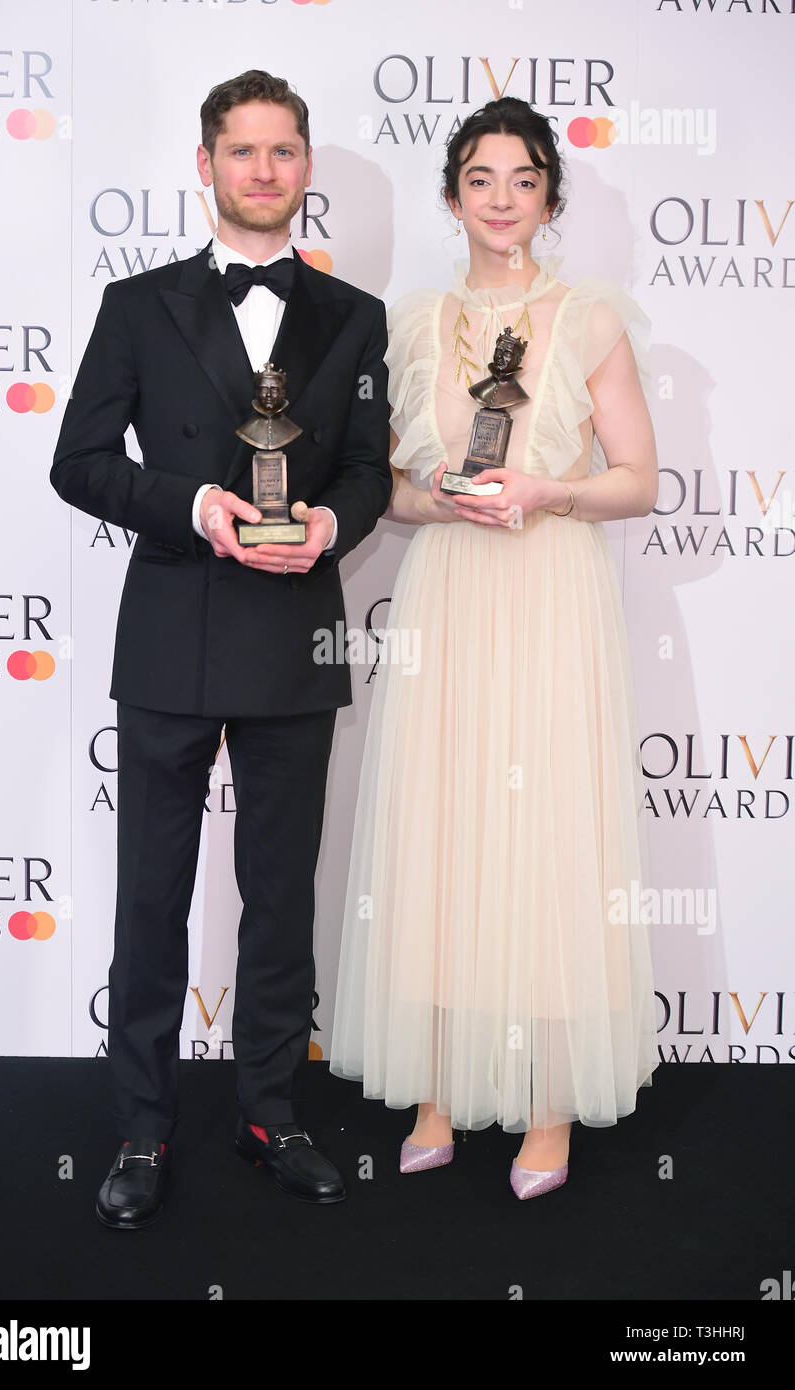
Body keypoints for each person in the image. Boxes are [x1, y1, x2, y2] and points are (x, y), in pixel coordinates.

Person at [50, 70, 391, 1227]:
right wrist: (192, 503)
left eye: (282, 151)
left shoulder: (357, 316)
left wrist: (335, 526)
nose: (261, 171)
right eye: (240, 151)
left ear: (305, 166)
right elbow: (79, 462)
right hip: (171, 633)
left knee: (279, 894)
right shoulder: (136, 304)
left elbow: (363, 468)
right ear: (205, 165)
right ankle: (141, 1130)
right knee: (149, 898)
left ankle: (268, 1111)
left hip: (294, 631)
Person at [329, 96, 659, 1200]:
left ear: (551, 198)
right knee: (446, 826)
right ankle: (439, 1083)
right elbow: (385, 487)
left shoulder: (590, 318)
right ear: (451, 194)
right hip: (452, 594)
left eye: (523, 179)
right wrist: (444, 502)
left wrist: (547, 489)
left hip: (550, 591)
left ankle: (550, 1100)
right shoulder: (411, 323)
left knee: (547, 830)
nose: (503, 198)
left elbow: (637, 480)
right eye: (481, 178)